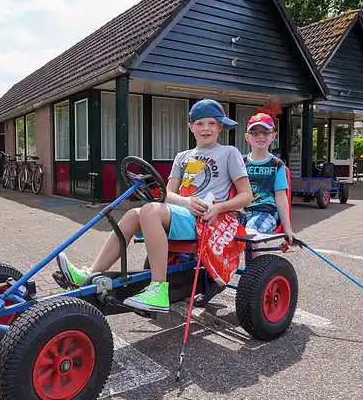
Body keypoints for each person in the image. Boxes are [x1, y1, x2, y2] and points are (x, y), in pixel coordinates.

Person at [54, 99, 253, 313]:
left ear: (220, 127)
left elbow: (246, 196)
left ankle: (159, 289)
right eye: (200, 123)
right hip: (182, 213)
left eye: (212, 123)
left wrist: (219, 208)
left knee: (149, 210)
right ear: (191, 127)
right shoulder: (182, 157)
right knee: (132, 214)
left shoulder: (229, 153)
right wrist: (186, 201)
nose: (206, 128)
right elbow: (167, 194)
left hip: (207, 220)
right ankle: (91, 274)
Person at [238, 112, 294, 244]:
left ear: (273, 136)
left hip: (265, 212)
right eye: (255, 133)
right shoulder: (240, 162)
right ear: (247, 137)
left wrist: (287, 229)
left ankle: (255, 265)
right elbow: (232, 189)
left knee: (251, 234)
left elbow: (281, 197)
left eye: (265, 132)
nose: (260, 136)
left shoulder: (277, 165)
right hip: (241, 211)